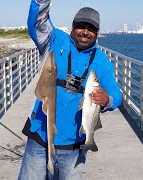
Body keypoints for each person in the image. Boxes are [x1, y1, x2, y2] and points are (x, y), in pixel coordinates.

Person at [18, 0, 122, 179]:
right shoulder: (55, 40)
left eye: (91, 29)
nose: (85, 32)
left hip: (74, 146)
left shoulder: (102, 62)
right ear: (72, 27)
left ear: (97, 33)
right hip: (39, 136)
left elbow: (116, 94)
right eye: (81, 26)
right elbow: (37, 23)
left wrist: (108, 100)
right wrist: (40, 2)